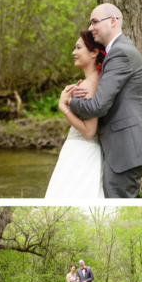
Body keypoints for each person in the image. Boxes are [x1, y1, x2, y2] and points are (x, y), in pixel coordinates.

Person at [66, 3, 142, 198]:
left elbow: (98, 106)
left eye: (94, 22)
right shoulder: (121, 49)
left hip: (125, 148)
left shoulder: (119, 53)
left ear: (113, 21)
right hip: (124, 146)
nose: (90, 28)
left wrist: (67, 103)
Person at [46, 31, 106, 198]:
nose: (73, 52)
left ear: (94, 53)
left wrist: (63, 107)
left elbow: (89, 131)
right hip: (85, 151)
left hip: (82, 152)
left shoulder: (89, 85)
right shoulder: (95, 81)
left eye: (78, 48)